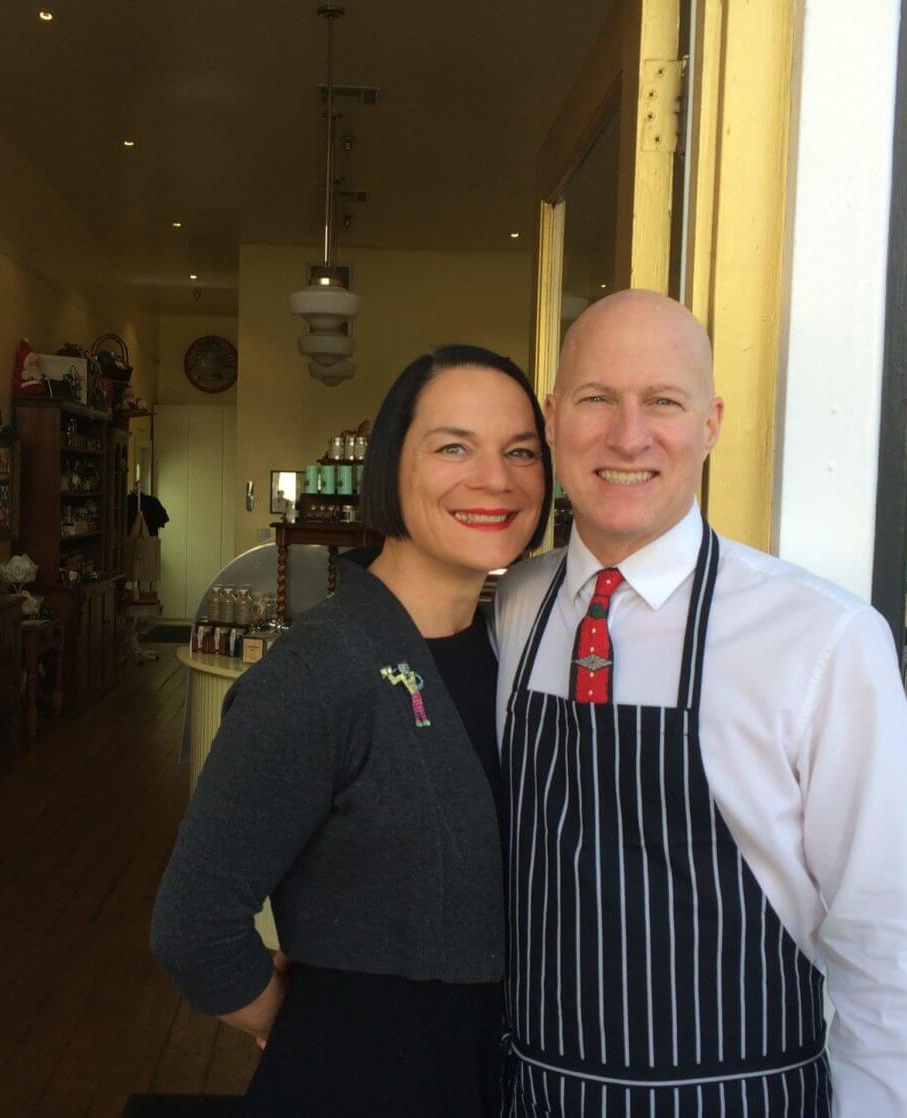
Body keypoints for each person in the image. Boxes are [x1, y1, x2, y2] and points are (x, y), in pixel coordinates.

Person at [492, 290, 907, 1116]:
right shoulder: (515, 608)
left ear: (710, 423)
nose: (627, 436)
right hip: (536, 1091)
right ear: (554, 417)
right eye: (598, 398)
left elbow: (887, 949)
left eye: (662, 402)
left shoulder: (824, 639)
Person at [152, 344, 552, 1116]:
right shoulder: (319, 672)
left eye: (521, 451)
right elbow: (193, 927)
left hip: (490, 1072)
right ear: (386, 469)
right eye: (453, 447)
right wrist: (303, 1029)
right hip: (362, 1080)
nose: (495, 478)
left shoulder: (516, 650)